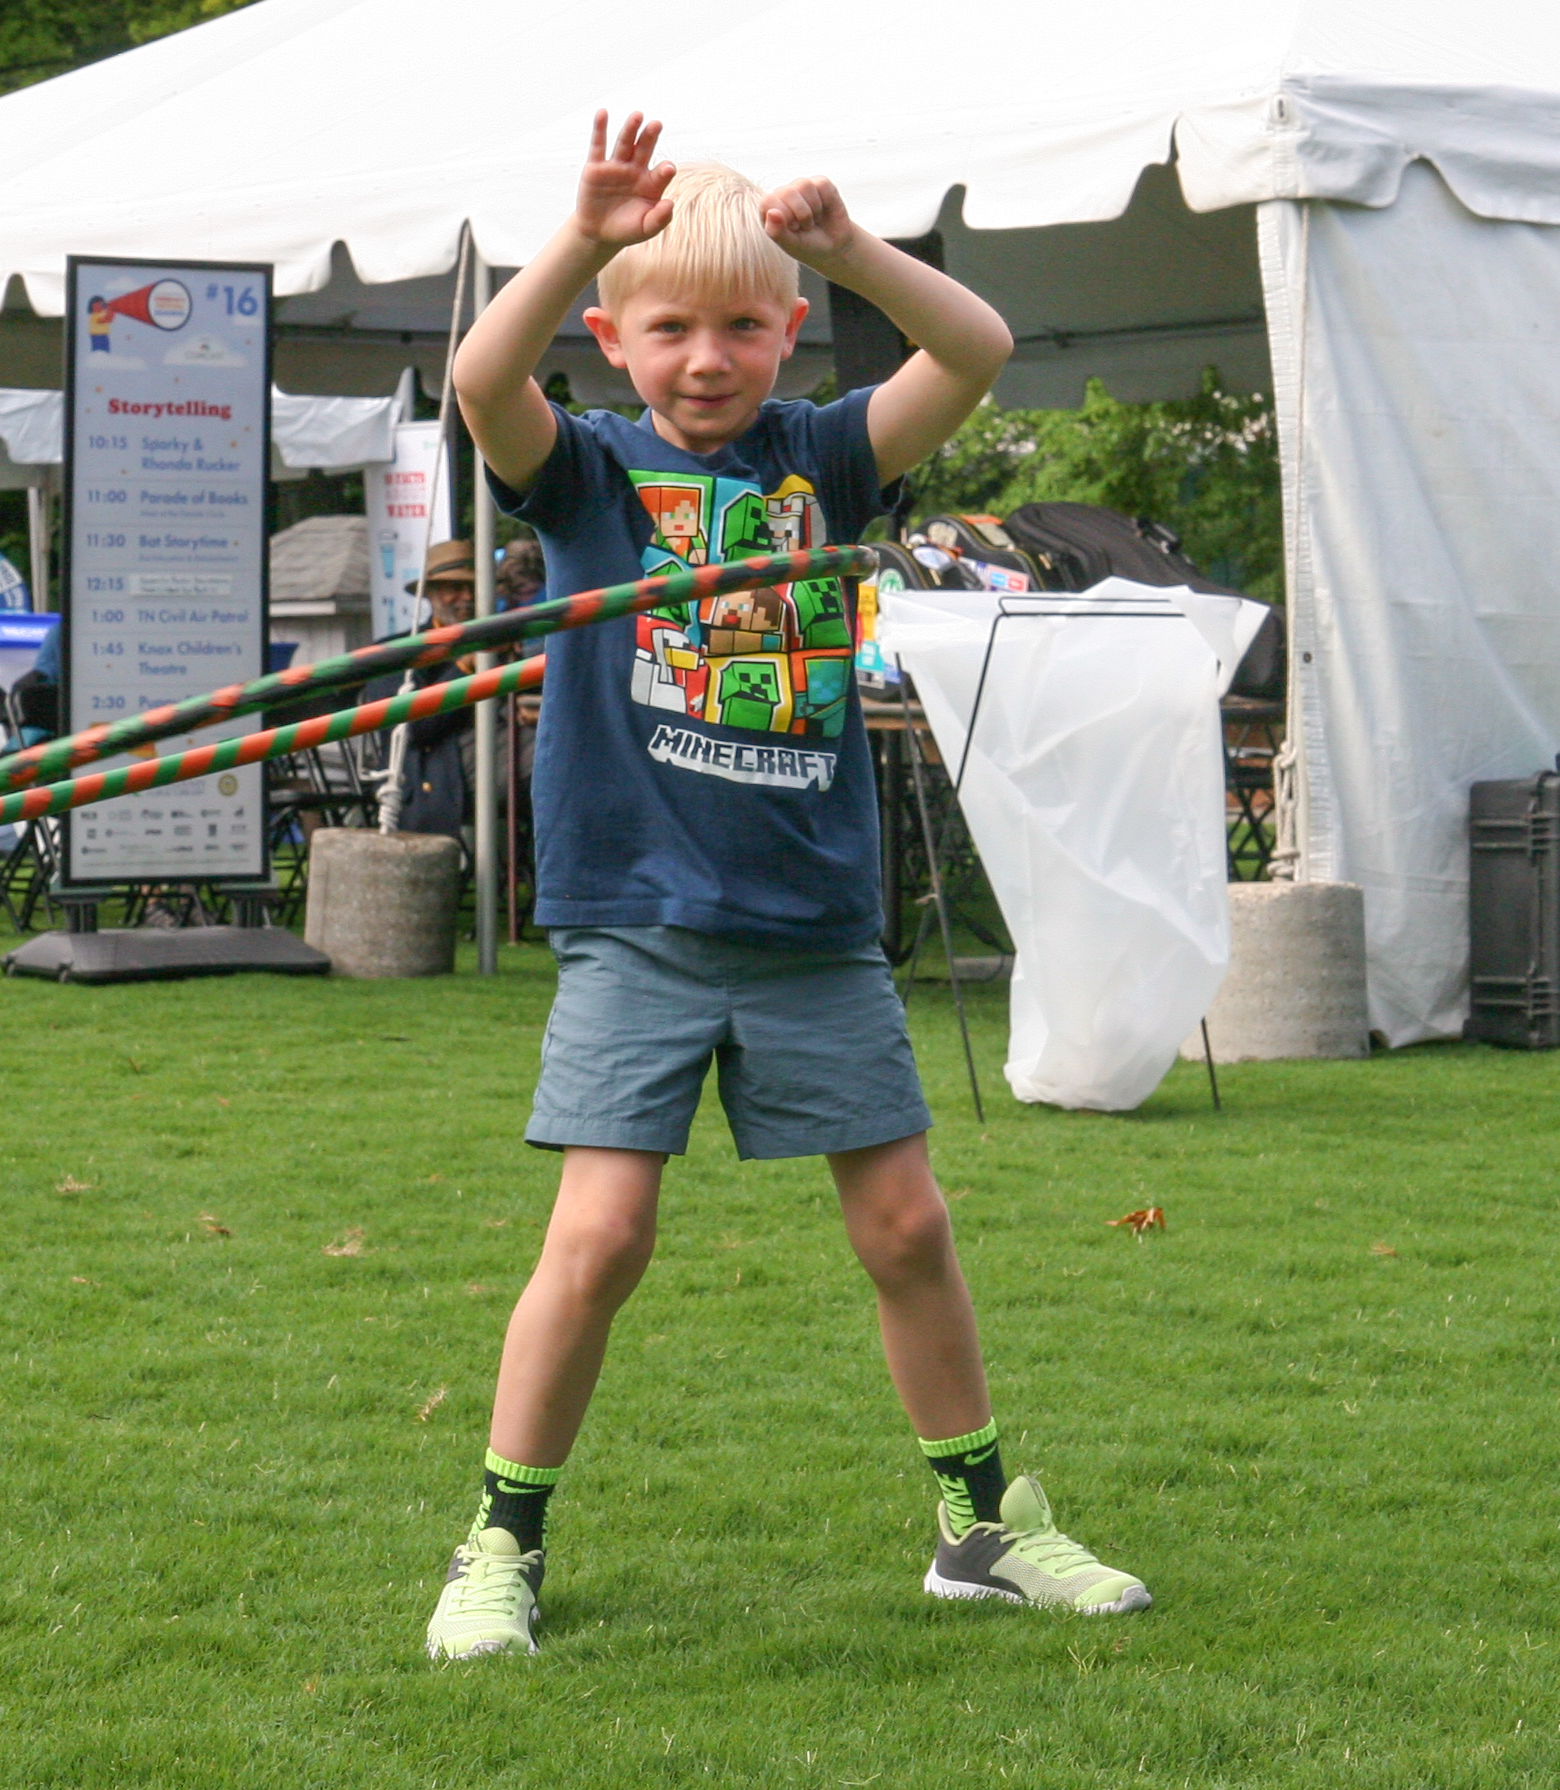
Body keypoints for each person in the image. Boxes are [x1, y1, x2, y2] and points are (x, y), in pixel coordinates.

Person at [423, 111, 1147, 1663]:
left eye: (744, 325)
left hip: (812, 928)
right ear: (613, 339)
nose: (706, 358)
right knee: (601, 1237)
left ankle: (977, 1529)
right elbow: (481, 384)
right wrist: (576, 242)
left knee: (903, 1224)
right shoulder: (587, 482)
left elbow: (975, 349)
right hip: (640, 920)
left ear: (789, 331)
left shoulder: (821, 456)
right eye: (668, 326)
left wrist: (847, 246)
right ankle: (501, 1536)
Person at [390, 538, 479, 839]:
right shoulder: (402, 651)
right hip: (443, 770)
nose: (467, 597)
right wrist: (465, 667)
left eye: (474, 587)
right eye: (455, 587)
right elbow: (413, 727)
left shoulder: (506, 637)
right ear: (429, 594)